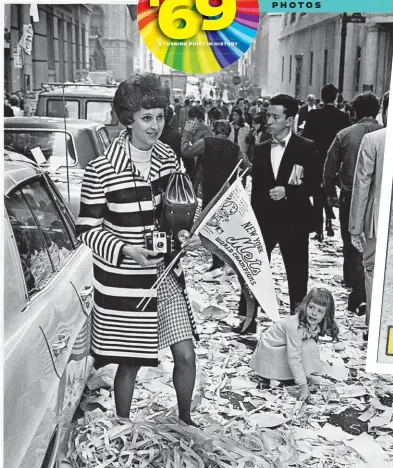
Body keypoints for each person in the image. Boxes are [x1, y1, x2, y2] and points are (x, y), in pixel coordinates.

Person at [76, 74, 201, 426]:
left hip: (165, 273)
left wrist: (187, 234)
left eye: (160, 116)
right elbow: (86, 230)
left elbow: (182, 208)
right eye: (147, 117)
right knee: (130, 362)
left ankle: (185, 419)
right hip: (126, 281)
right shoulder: (101, 169)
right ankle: (123, 426)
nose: (155, 125)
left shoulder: (170, 158)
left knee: (186, 355)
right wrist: (127, 250)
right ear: (128, 118)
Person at [236, 94, 320, 334]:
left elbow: (315, 184)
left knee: (297, 274)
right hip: (264, 221)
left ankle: (299, 325)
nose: (269, 120)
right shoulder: (261, 149)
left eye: (275, 116)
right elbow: (258, 189)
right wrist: (251, 221)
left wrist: (289, 192)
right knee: (253, 270)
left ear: (289, 120)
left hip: (295, 221)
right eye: (267, 116)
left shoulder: (307, 147)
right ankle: (248, 320)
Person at [323, 91, 382, 316]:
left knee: (351, 243)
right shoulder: (387, 134)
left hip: (350, 196)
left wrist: (329, 195)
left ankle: (356, 289)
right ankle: (366, 288)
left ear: (354, 112)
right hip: (379, 198)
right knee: (374, 244)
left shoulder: (345, 134)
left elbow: (329, 168)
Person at [181, 119, 250, 271]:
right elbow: (247, 166)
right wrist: (239, 183)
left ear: (213, 129)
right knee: (222, 225)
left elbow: (186, 151)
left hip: (209, 189)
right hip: (226, 191)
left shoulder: (207, 142)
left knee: (209, 225)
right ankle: (222, 259)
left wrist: (187, 134)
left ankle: (217, 261)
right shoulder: (235, 148)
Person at [250, 288, 339, 399]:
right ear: (305, 305)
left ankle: (286, 375)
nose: (314, 313)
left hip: (280, 348)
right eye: (311, 307)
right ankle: (275, 376)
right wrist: (303, 386)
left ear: (326, 314)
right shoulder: (294, 325)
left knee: (310, 345)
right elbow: (294, 357)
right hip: (269, 352)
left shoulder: (314, 323)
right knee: (306, 347)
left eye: (320, 311)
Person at [349, 91, 389, 336]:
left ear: (384, 110)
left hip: (377, 218)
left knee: (373, 271)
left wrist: (355, 226)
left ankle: (374, 326)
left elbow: (362, 184)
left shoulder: (374, 140)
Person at [303, 83, 350, 241]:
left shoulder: (313, 115)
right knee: (330, 190)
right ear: (336, 97)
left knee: (317, 194)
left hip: (316, 159)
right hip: (336, 160)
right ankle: (329, 217)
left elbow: (307, 138)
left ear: (322, 97)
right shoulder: (343, 117)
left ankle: (319, 228)